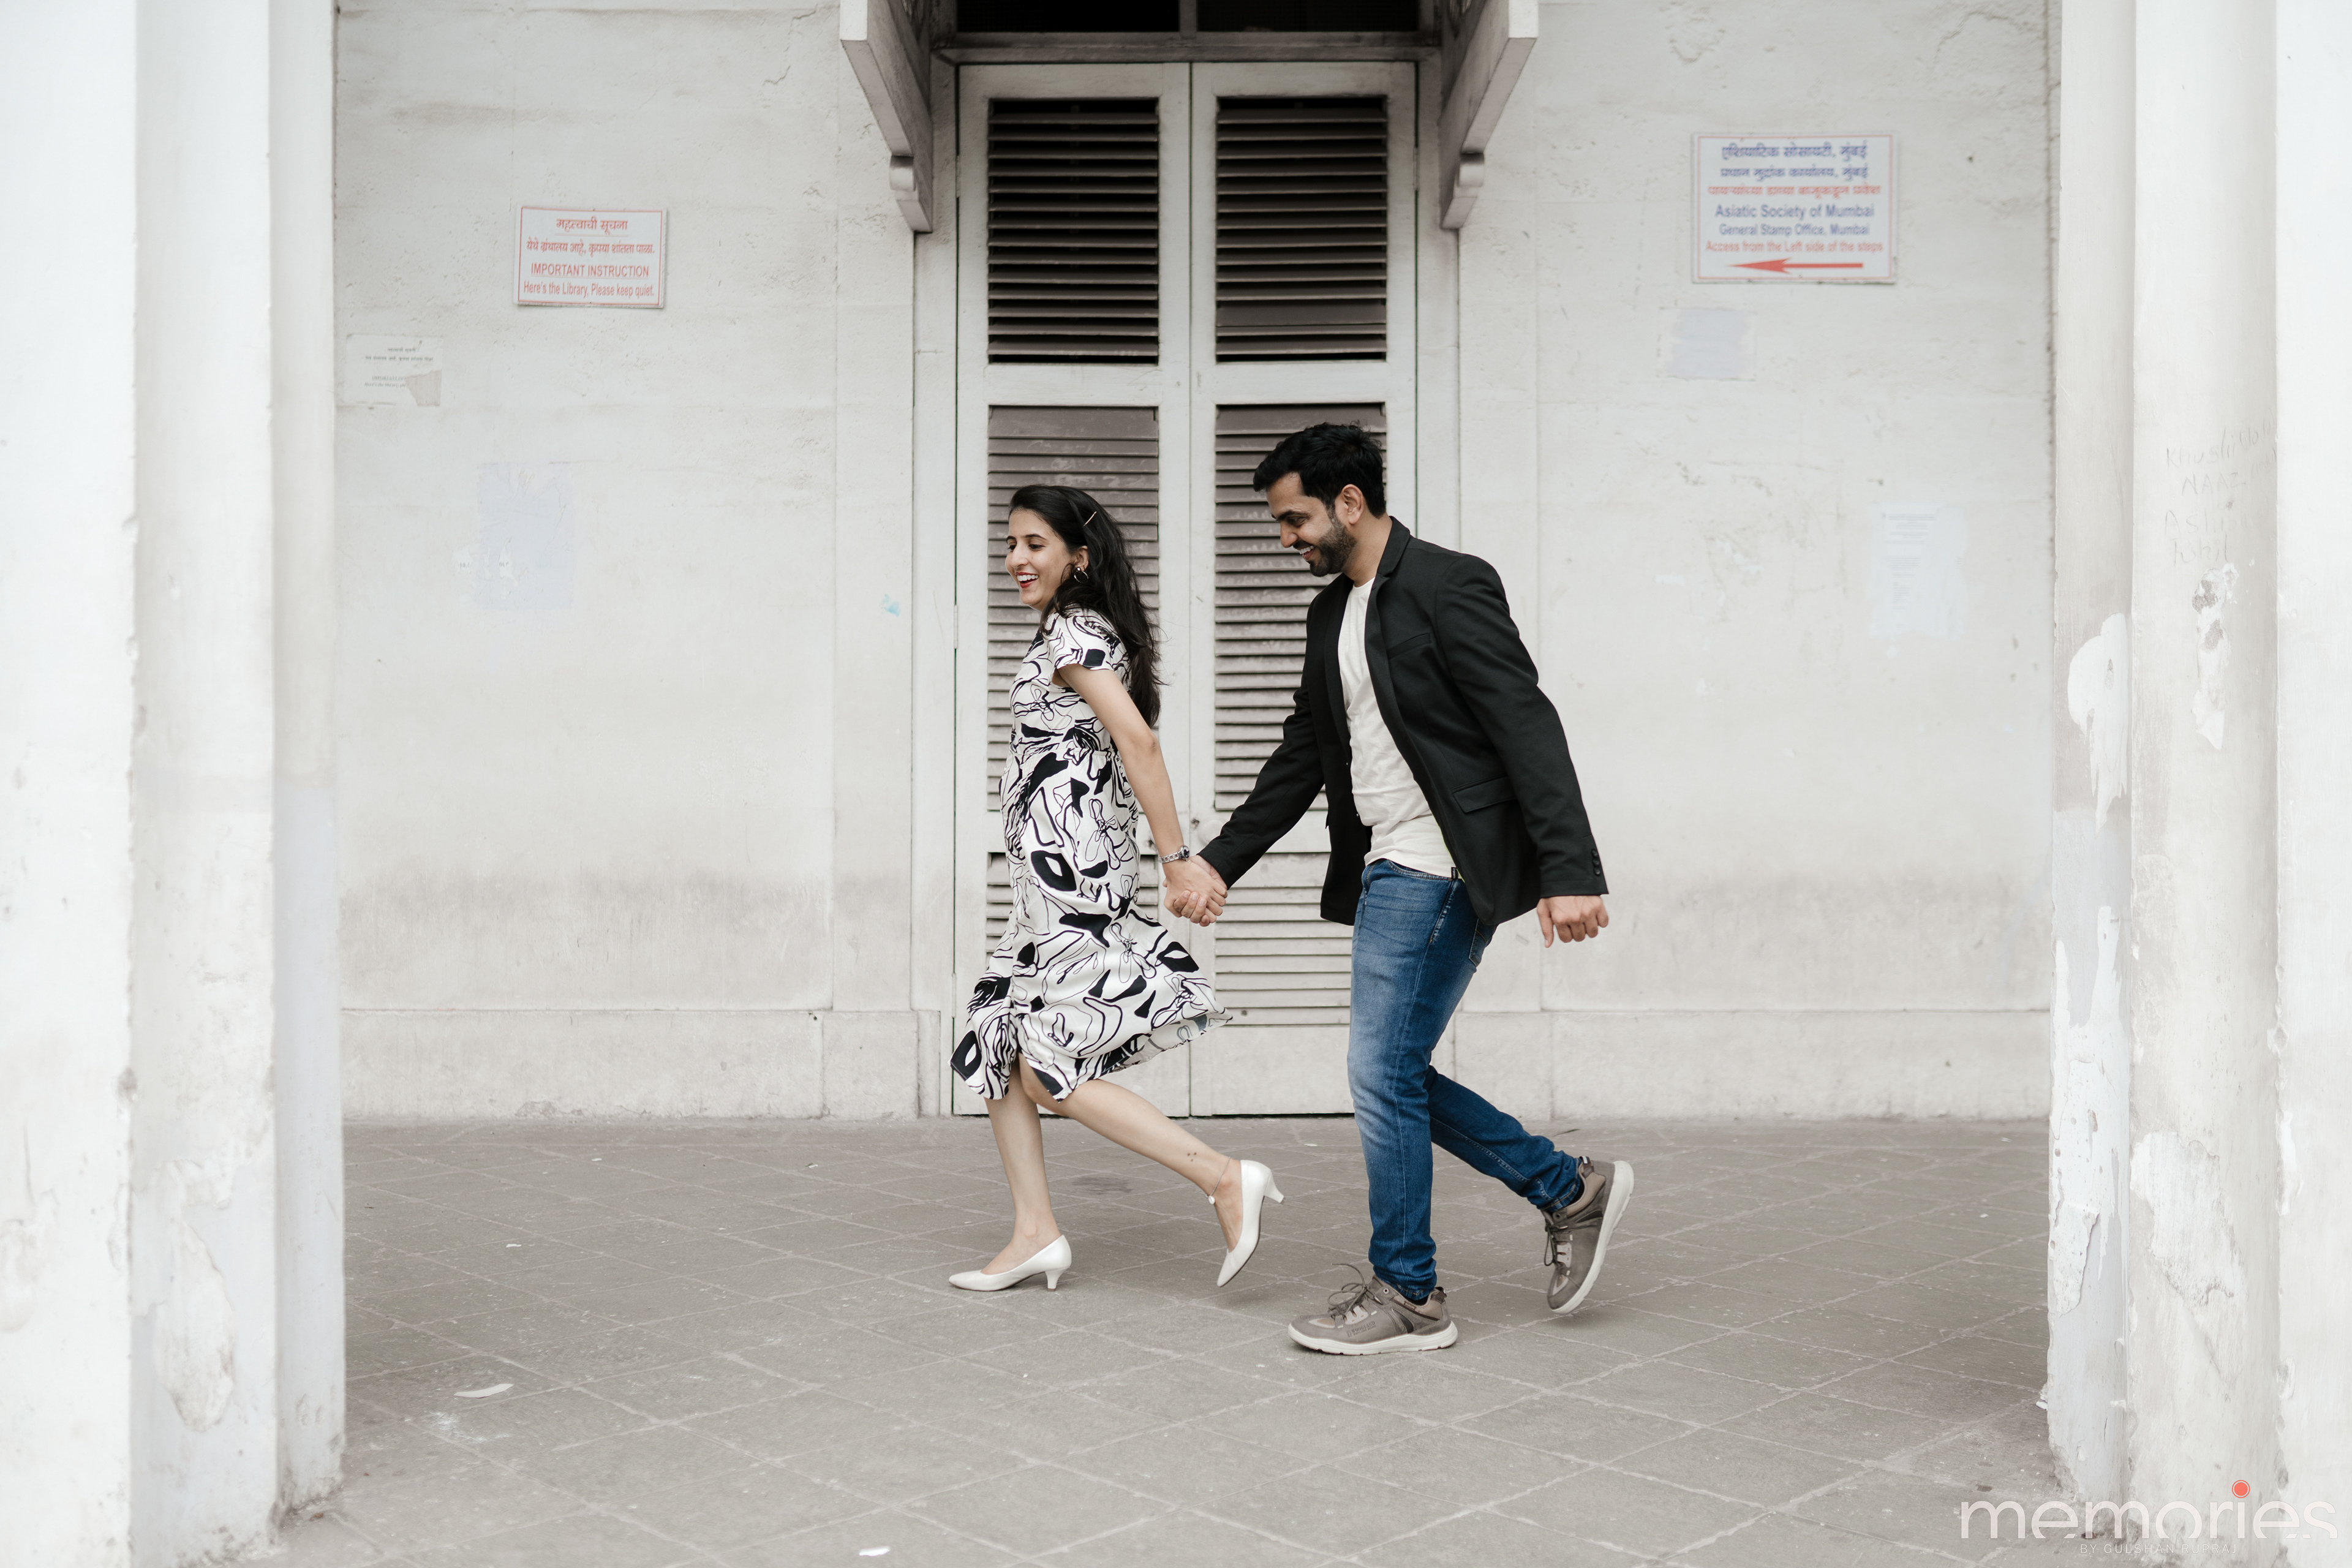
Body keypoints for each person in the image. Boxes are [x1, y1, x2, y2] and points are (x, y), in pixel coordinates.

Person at [1169, 424, 1633, 1354]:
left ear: (1350, 502)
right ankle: (1566, 1190)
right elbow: (1304, 753)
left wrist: (1570, 871)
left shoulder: (1450, 584)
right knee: (1392, 1073)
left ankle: (1411, 1291)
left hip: (1442, 860)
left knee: (1380, 1073)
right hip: (1387, 860)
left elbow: (1525, 724)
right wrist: (1221, 859)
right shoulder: (1329, 615)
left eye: (1295, 519)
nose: (1286, 538)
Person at [946, 484, 1282, 1295]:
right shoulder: (1079, 631)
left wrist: (1178, 860)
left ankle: (1221, 1176)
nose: (1016, 558)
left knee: (1045, 1065)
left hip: (1072, 880)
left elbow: (1140, 743)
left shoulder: (1075, 631)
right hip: (1047, 883)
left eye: (1034, 544)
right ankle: (1035, 1231)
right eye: (1011, 543)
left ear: (1079, 557)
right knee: (997, 1035)